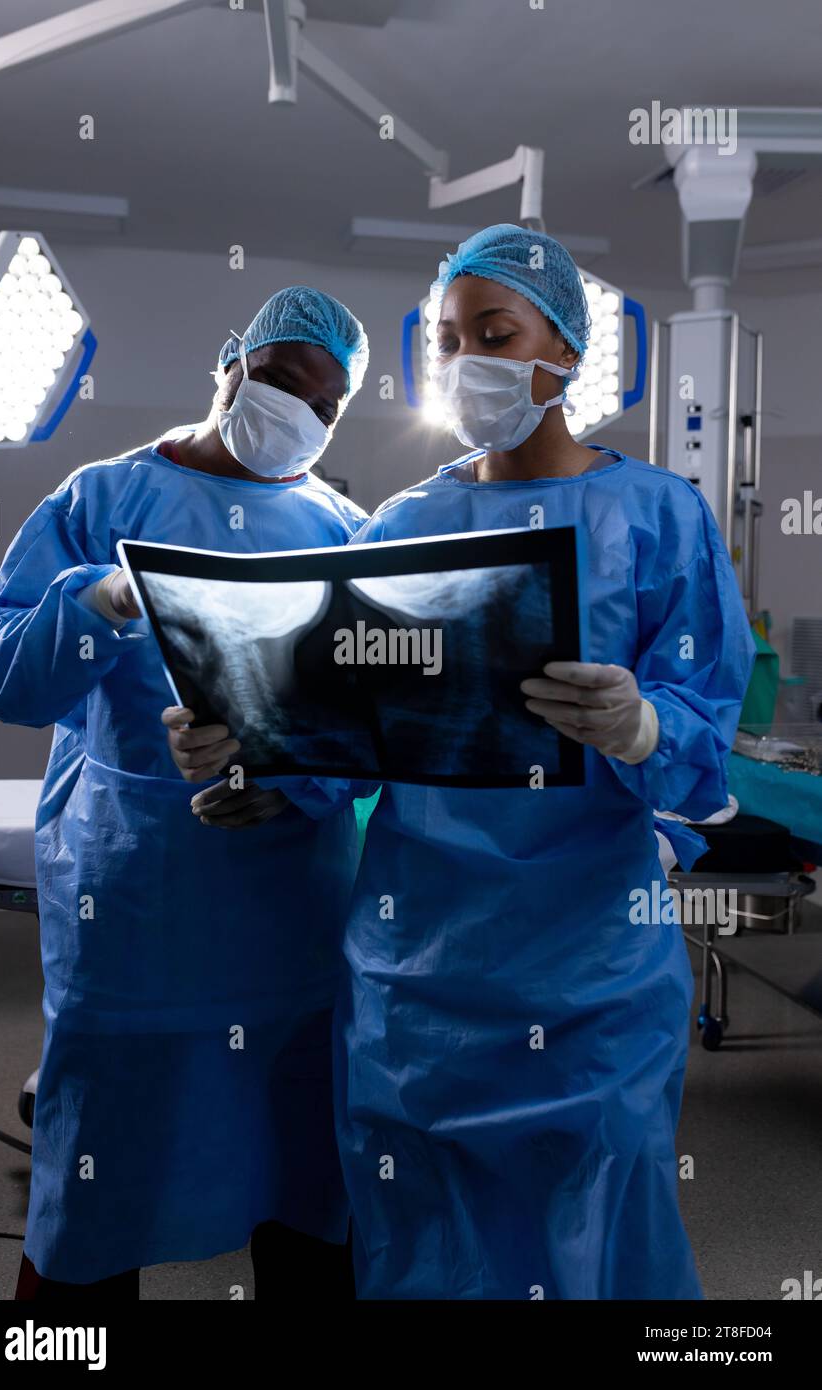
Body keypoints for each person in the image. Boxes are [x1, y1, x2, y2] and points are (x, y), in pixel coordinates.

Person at [166, 226, 756, 1300]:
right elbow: (349, 731)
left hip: (590, 977)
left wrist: (646, 730)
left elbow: (706, 742)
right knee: (425, 1239)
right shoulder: (407, 524)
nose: (468, 360)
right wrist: (257, 754)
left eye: (497, 333)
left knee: (601, 1237)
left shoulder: (659, 516)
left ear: (568, 351)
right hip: (417, 974)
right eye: (450, 340)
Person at [0, 285, 368, 1299]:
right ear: (229, 364)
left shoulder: (347, 527)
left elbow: (377, 725)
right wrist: (91, 600)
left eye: (327, 404)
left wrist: (293, 780)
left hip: (294, 929)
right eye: (280, 381)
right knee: (95, 1196)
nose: (299, 413)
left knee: (307, 1193)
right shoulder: (100, 499)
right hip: (132, 915)